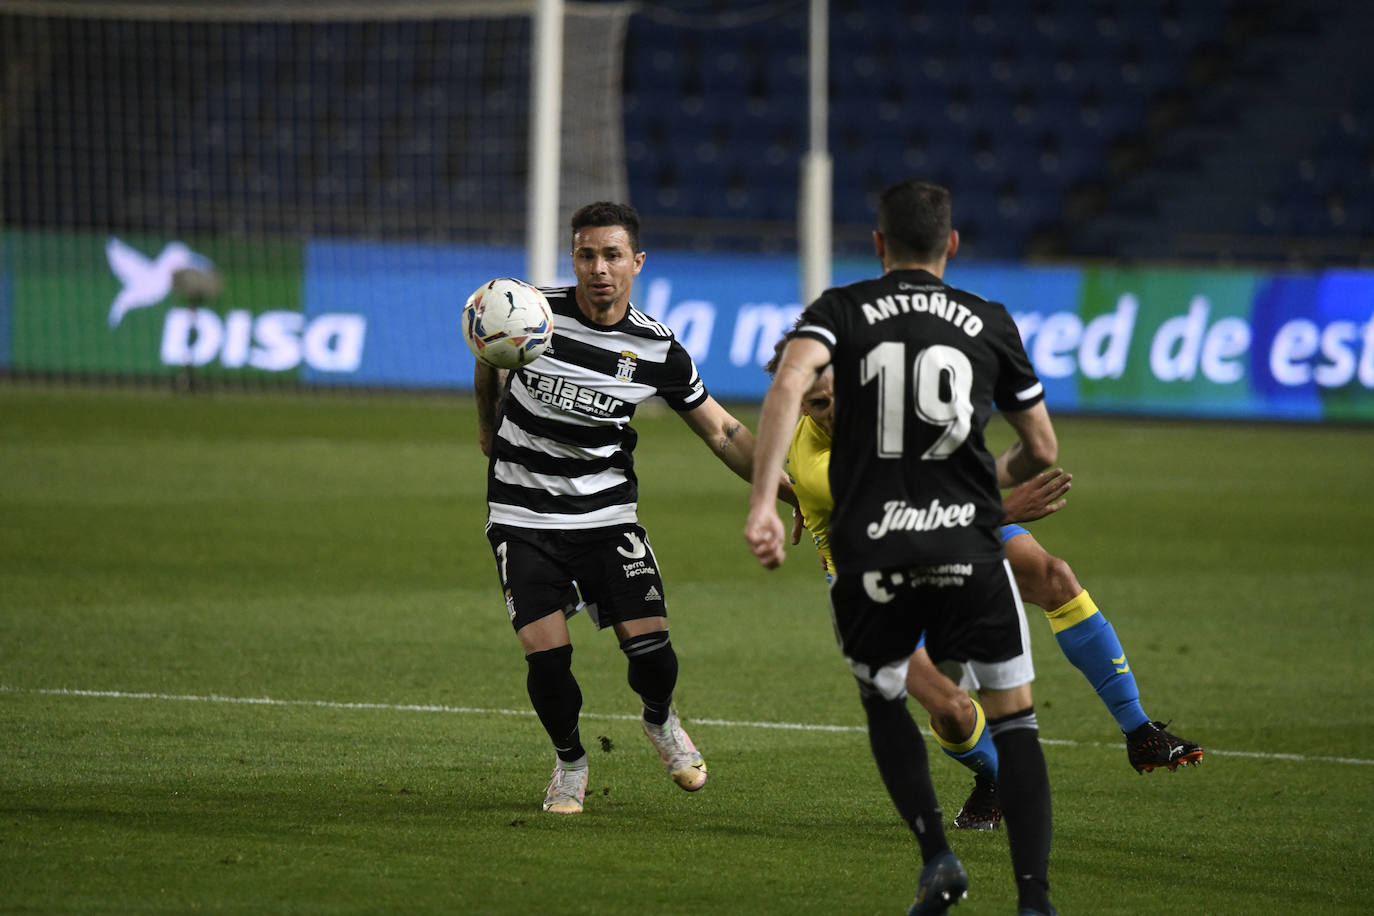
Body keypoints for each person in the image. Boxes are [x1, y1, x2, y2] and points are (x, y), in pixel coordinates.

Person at [745, 178, 1058, 916]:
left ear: (878, 244)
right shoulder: (989, 319)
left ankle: (938, 858)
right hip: (967, 545)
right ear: (952, 243)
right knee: (1015, 721)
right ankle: (1034, 901)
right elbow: (1042, 449)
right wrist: (983, 481)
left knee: (885, 693)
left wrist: (762, 503)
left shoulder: (841, 310)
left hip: (874, 552)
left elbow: (788, 384)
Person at [776, 359, 1203, 833]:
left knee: (1053, 576)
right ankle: (998, 778)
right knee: (952, 710)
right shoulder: (825, 469)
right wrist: (1005, 510)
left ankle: (1141, 731)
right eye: (820, 403)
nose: (837, 409)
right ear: (802, 406)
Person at [476, 201, 796, 816]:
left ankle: (659, 718)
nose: (599, 268)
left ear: (637, 262)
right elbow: (486, 352)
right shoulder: (532, 313)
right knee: (548, 659)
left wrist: (789, 491)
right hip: (524, 514)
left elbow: (723, 432)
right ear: (574, 258)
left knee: (653, 654)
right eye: (586, 254)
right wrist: (487, 428)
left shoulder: (656, 348)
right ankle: (570, 764)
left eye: (612, 255)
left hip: (607, 516)